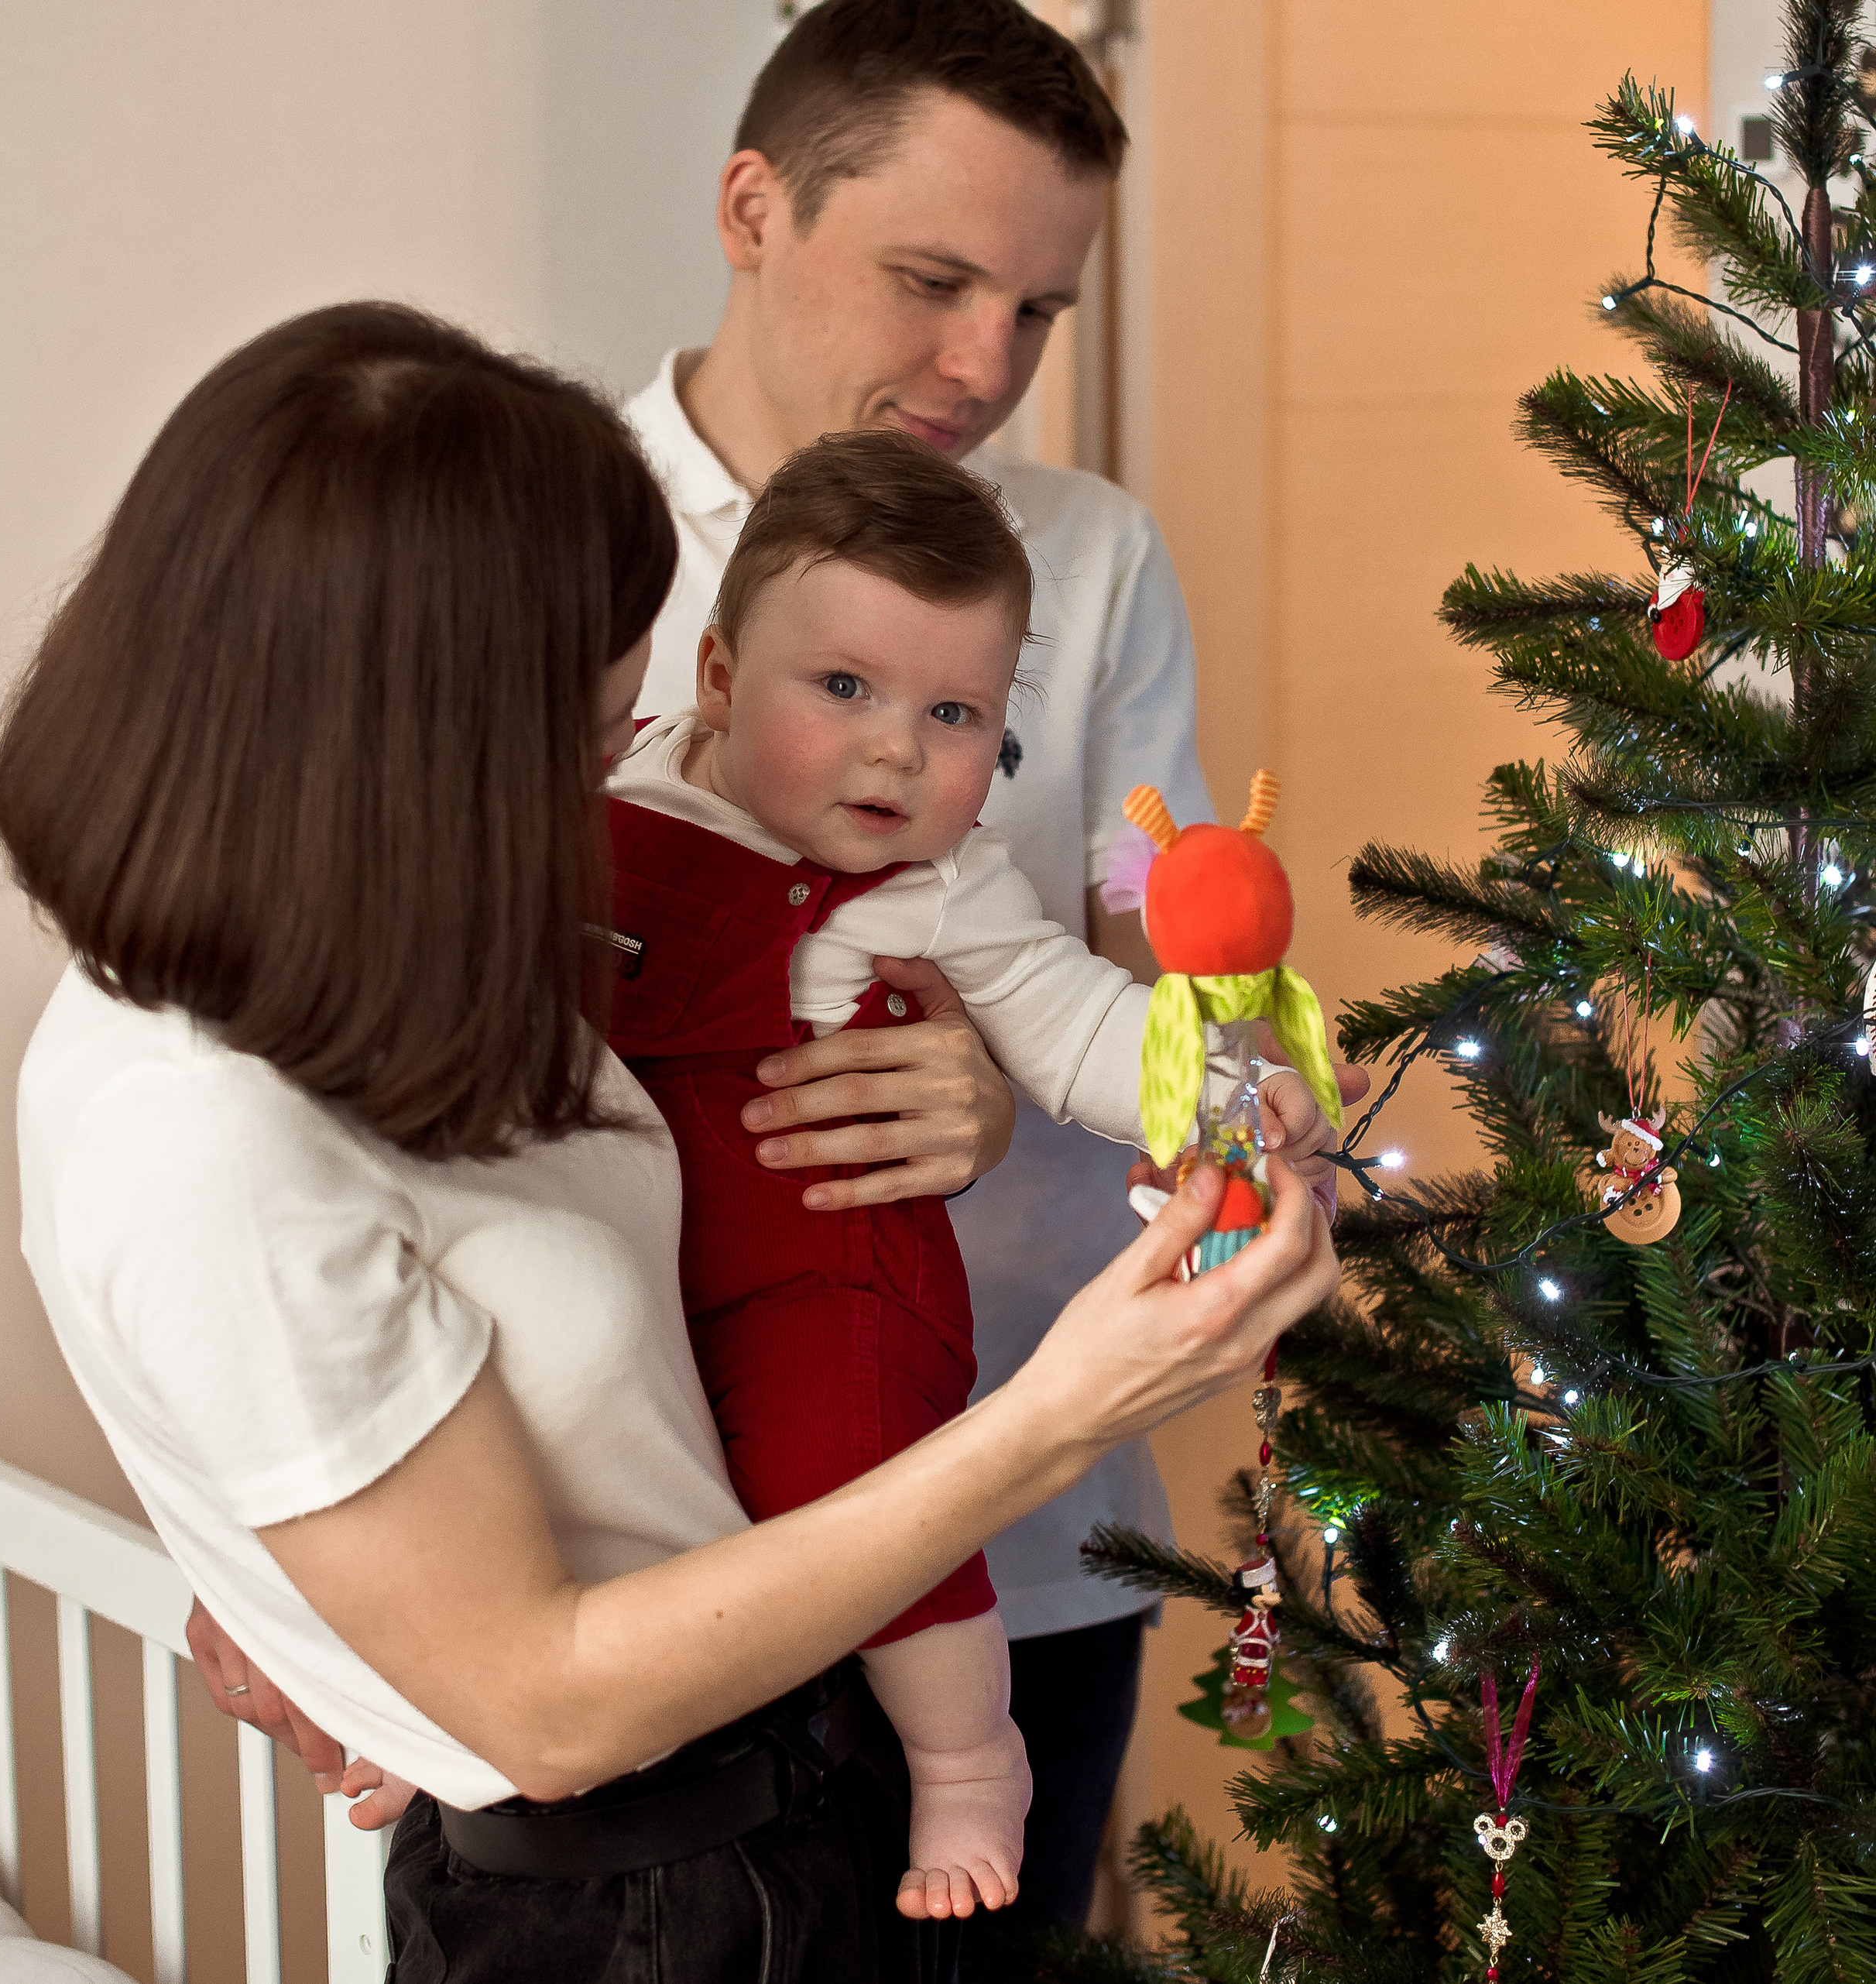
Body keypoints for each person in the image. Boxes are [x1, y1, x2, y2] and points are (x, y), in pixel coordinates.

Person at [0, 303, 1339, 1981]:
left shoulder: (391, 953)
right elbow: (543, 1702)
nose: (612, 784)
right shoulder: (204, 1134)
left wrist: (1070, 1089)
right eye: (581, 741)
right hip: (641, 1888)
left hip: (783, 1773)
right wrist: (1063, 1412)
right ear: (412, 760)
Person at [622, 0, 1367, 1929]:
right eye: (931, 281)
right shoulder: (553, 526)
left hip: (1008, 1512)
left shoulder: (1089, 560)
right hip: (624, 1537)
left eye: (1035, 309)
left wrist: (1199, 1108)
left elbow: (1140, 996)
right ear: (753, 208)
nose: (983, 367)